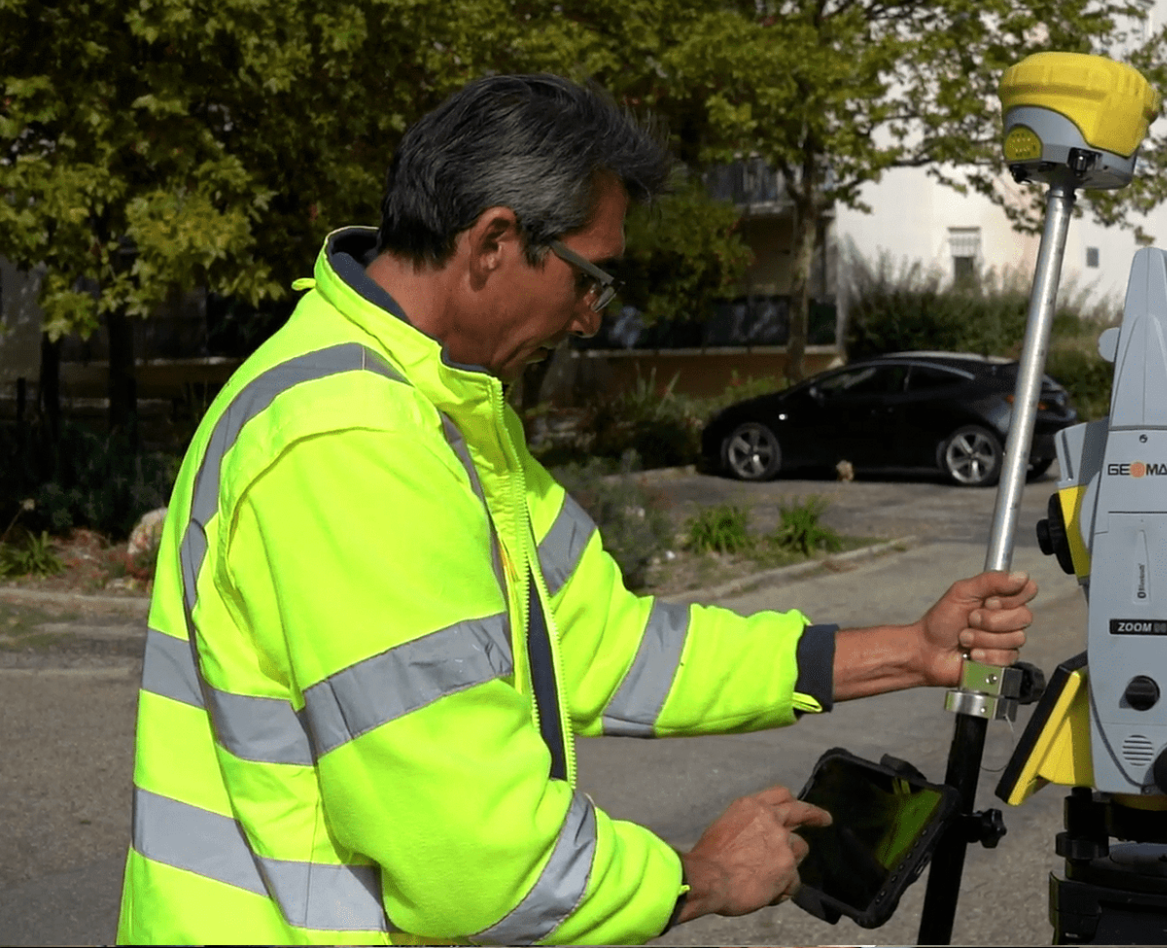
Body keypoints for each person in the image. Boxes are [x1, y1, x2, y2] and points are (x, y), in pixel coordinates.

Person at [116, 73, 1038, 945]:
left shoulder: (442, 408)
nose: (592, 315)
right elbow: (480, 861)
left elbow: (607, 646)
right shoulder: (351, 442)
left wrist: (910, 650)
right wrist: (700, 877)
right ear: (493, 241)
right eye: (590, 278)